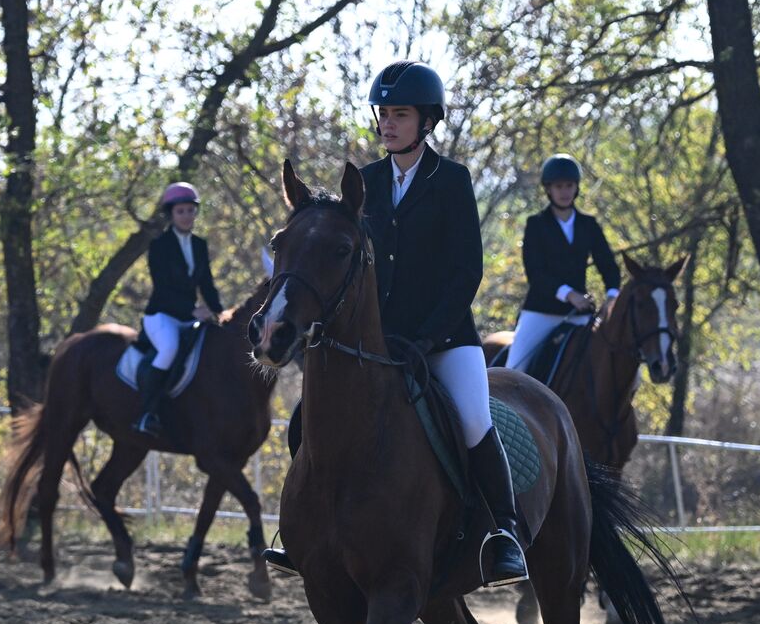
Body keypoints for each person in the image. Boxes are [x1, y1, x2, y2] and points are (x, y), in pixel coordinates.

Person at [265, 60, 529, 586]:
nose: (388, 123)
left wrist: (428, 336)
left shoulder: (451, 180)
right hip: (378, 340)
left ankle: (505, 532)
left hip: (444, 339)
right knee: (305, 418)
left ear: (426, 121)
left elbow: (466, 271)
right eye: (383, 114)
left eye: (400, 114)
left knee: (473, 419)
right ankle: (304, 531)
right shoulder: (364, 182)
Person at [506, 154, 622, 369]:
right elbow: (535, 273)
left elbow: (608, 265)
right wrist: (569, 295)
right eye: (558, 186)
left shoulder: (589, 224)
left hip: (579, 315)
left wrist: (612, 296)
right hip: (541, 313)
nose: (564, 192)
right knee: (515, 368)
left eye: (569, 185)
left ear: (576, 187)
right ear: (548, 189)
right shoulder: (536, 224)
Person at [133, 182, 222, 437]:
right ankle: (147, 413)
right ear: (171, 214)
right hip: (161, 315)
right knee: (169, 348)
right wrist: (192, 312)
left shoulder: (200, 244)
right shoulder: (159, 245)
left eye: (190, 210)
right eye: (181, 211)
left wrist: (221, 313)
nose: (186, 216)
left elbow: (207, 285)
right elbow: (162, 287)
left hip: (188, 315)